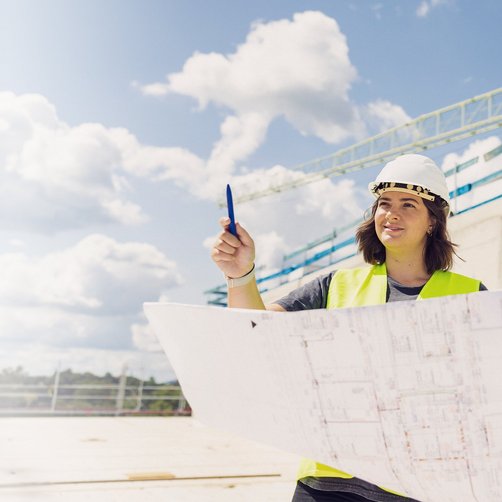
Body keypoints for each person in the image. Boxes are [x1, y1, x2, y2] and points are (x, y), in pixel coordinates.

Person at [211, 154, 486, 502]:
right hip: (328, 482)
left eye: (409, 204)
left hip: (418, 485)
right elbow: (253, 332)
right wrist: (240, 274)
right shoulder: (335, 285)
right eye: (384, 203)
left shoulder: (470, 294)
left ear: (433, 221)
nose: (392, 213)